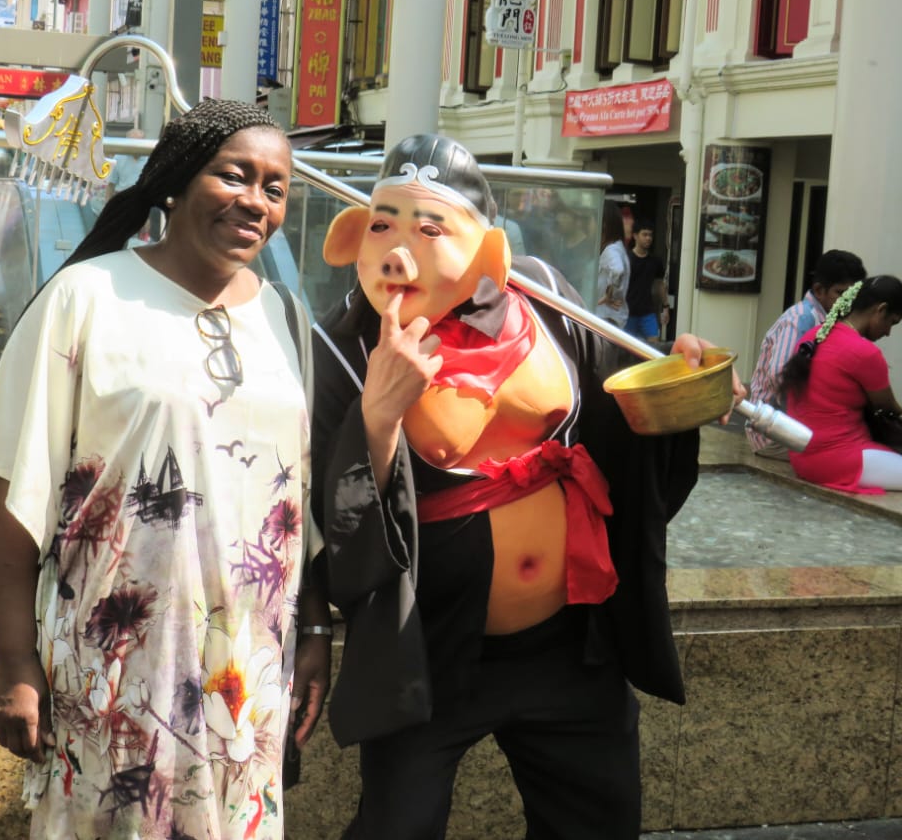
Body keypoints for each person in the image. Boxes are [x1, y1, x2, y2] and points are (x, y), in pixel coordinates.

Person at [311, 133, 735, 840]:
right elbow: (330, 526)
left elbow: (615, 429)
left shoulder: (541, 299)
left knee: (596, 820)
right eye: (381, 223)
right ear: (352, 235)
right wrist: (378, 415)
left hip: (568, 644)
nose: (396, 249)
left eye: (430, 227)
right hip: (433, 652)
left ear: (487, 251)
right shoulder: (344, 346)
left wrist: (678, 394)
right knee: (398, 826)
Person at [0, 99, 330, 840]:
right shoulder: (85, 297)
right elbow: (13, 491)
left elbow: (296, 497)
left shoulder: (287, 318)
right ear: (173, 181)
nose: (255, 201)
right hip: (114, 677)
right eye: (235, 176)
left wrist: (316, 625)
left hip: (244, 686)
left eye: (275, 187)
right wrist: (12, 662)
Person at [781, 275, 902, 496]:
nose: (888, 332)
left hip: (802, 457)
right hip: (839, 458)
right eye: (891, 322)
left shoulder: (812, 336)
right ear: (880, 309)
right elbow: (891, 410)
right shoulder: (864, 352)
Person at [745, 249, 866, 459]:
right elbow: (778, 376)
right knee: (851, 456)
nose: (848, 301)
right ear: (819, 290)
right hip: (775, 432)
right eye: (840, 293)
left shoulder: (832, 321)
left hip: (799, 425)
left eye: (853, 294)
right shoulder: (801, 320)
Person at [623, 218, 667, 342]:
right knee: (627, 348)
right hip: (628, 313)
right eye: (645, 235)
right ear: (635, 236)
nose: (648, 238)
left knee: (654, 345)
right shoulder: (626, 259)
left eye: (650, 235)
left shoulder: (655, 261)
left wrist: (666, 306)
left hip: (648, 312)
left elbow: (659, 284)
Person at [594, 202, 630, 327]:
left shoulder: (611, 250)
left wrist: (608, 293)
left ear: (604, 225)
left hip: (606, 318)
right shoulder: (618, 247)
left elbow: (617, 270)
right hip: (611, 318)